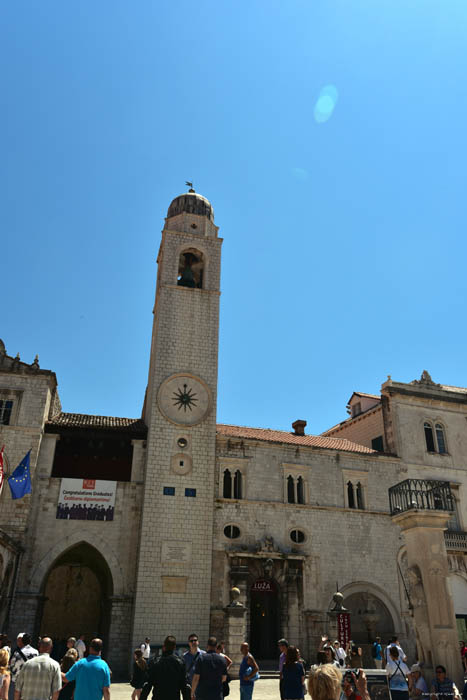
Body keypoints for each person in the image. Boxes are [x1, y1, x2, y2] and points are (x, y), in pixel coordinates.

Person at [141, 635, 187, 700]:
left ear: (164, 646)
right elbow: (184, 686)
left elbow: (147, 685)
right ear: (174, 647)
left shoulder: (154, 661)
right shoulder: (180, 662)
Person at [9, 633, 38, 700]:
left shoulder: (17, 653)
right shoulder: (36, 652)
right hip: (29, 682)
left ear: (21, 641)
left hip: (17, 682)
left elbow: (12, 668)